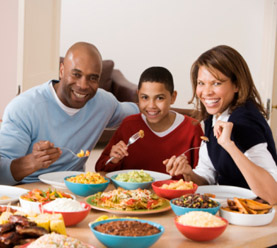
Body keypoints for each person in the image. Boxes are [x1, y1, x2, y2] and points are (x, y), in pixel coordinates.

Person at [0, 42, 139, 184]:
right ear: (61, 71)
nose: (83, 85)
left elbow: (145, 112)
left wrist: (158, 101)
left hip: (76, 190)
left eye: (92, 78)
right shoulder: (24, 107)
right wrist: (31, 162)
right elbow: (1, 175)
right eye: (76, 74)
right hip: (28, 192)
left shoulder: (103, 103)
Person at [167, 45, 277, 205]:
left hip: (256, 215)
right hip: (228, 209)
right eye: (201, 83)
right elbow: (207, 177)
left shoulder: (245, 121)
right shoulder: (214, 115)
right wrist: (188, 173)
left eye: (216, 83)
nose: (206, 92)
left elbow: (273, 194)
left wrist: (229, 145)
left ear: (237, 85)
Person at [95, 66, 203, 179]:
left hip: (175, 196)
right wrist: (114, 160)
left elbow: (204, 179)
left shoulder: (192, 128)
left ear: (173, 97)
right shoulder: (129, 125)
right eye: (145, 97)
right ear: (138, 96)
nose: (151, 105)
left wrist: (188, 172)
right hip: (132, 195)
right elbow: (100, 169)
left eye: (160, 98)